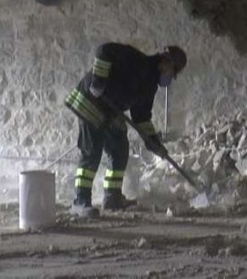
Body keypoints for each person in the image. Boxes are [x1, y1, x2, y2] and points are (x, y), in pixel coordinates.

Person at [64, 43, 187, 218]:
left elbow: (142, 118)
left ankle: (112, 198)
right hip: (90, 102)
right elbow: (103, 50)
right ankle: (80, 202)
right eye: (172, 72)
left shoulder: (149, 86)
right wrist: (98, 82)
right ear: (165, 62)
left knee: (119, 149)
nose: (170, 77)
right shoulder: (137, 61)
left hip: (110, 111)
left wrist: (154, 143)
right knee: (92, 152)